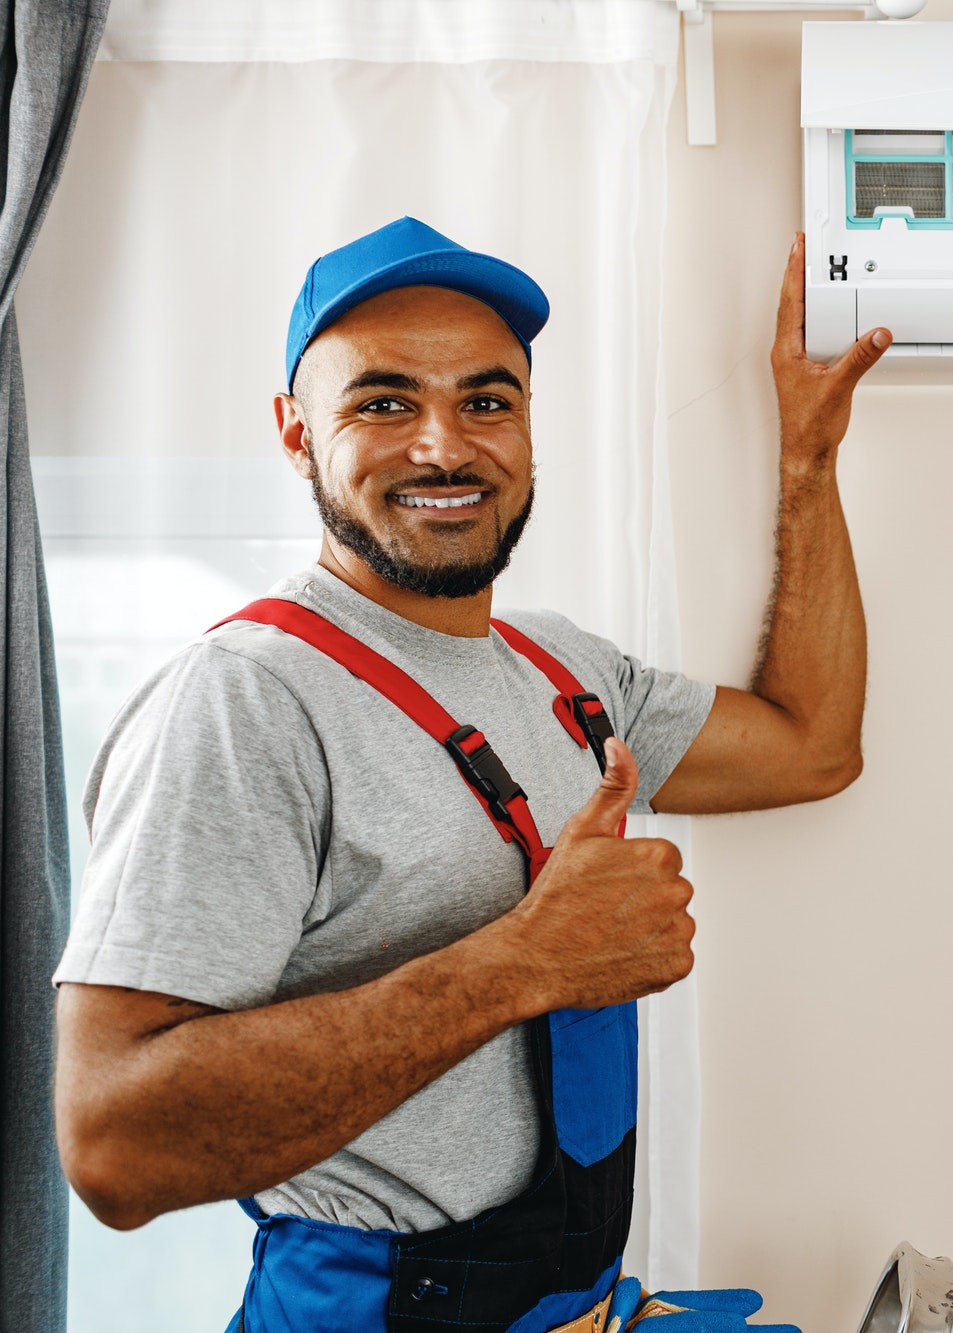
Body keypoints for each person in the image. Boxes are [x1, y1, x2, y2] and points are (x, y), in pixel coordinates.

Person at [49, 216, 891, 1332]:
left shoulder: (563, 671)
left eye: (486, 402)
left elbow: (810, 742)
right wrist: (524, 962)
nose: (444, 447)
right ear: (296, 434)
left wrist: (805, 461)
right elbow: (114, 1146)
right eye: (383, 402)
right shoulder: (247, 700)